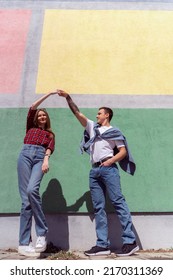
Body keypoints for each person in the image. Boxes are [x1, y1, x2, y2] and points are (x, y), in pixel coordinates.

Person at [57, 89, 139, 257]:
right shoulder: (92, 128)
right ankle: (102, 245)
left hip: (109, 170)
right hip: (94, 171)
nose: (96, 116)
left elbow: (123, 151)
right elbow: (77, 113)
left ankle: (130, 242)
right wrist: (68, 98)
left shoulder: (114, 132)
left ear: (107, 115)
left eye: (99, 113)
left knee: (118, 202)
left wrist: (110, 161)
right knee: (99, 207)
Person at [17, 92, 56, 257]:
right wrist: (50, 93)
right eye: (39, 115)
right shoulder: (30, 127)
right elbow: (32, 107)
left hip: (40, 158)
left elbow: (50, 149)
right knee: (26, 201)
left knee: (32, 190)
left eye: (44, 116)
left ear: (47, 119)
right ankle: (23, 244)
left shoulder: (50, 135)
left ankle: (41, 233)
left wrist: (46, 160)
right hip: (24, 156)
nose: (41, 117)